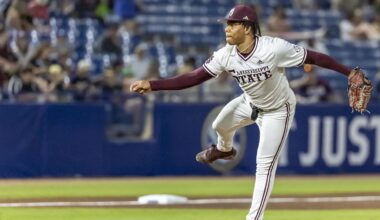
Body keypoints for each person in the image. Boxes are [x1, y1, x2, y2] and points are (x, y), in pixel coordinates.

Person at [129, 4, 370, 220]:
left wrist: (348, 72)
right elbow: (195, 77)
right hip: (249, 102)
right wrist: (154, 84)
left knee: (264, 166)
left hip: (278, 110)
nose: (226, 29)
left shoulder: (274, 48)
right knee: (219, 126)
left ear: (247, 27)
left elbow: (315, 57)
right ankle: (224, 149)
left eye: (231, 24)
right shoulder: (226, 54)